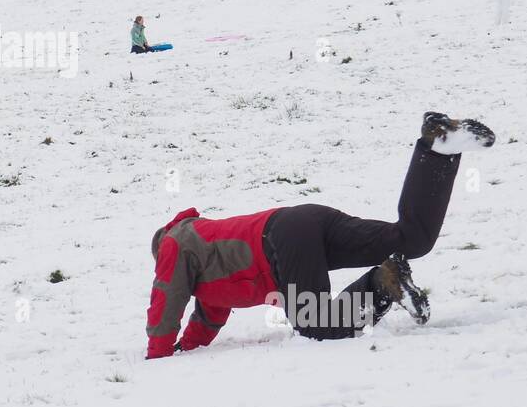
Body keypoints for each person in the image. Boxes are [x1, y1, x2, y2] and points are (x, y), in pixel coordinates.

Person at [144, 112, 496, 357]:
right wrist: (185, 349)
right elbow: (207, 318)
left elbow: (167, 299)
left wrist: (157, 357)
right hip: (303, 221)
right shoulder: (206, 268)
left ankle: (384, 283)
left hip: (282, 240)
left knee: (315, 323)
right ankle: (438, 147)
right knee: (412, 239)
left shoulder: (176, 243)